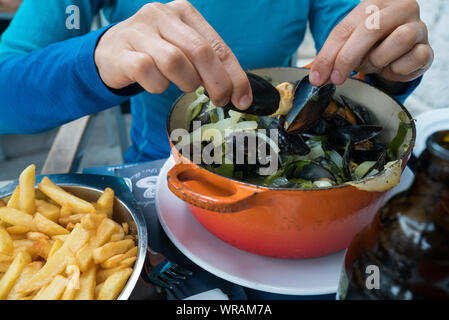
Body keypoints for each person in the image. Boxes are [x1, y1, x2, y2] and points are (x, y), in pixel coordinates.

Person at [0, 0, 433, 163]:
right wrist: (95, 57)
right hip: (160, 170)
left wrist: (387, 61)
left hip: (286, 168)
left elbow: (358, 65)